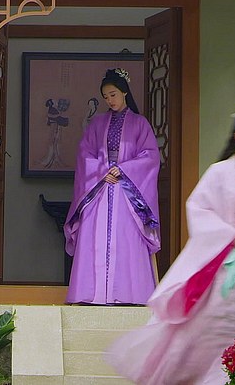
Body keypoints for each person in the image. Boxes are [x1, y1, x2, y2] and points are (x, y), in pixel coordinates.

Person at [107, 104, 235, 385]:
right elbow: (199, 208)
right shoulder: (219, 173)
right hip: (229, 259)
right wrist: (229, 234)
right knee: (218, 320)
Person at [63, 68, 161, 305]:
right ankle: (91, 294)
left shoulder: (140, 123)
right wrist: (101, 171)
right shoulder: (97, 123)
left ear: (124, 92)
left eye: (113, 95)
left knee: (126, 238)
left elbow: (150, 156)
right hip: (101, 186)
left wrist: (124, 169)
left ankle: (128, 293)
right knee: (94, 236)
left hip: (127, 190)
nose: (110, 100)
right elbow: (84, 153)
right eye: (106, 97)